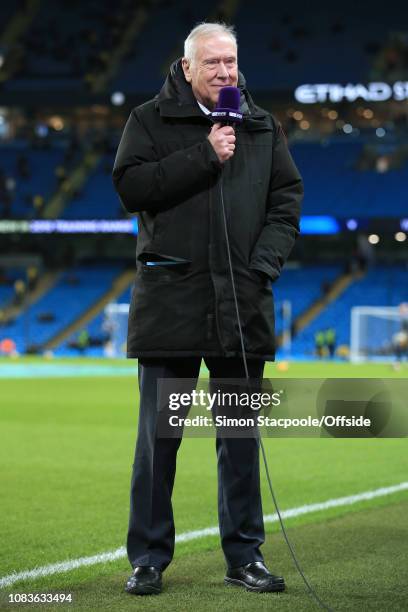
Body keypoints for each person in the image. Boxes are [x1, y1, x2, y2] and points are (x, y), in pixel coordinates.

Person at [112, 22, 303, 596]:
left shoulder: (263, 125)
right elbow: (131, 187)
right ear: (188, 67)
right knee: (159, 442)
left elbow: (286, 203)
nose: (225, 72)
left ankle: (245, 557)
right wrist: (205, 154)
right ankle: (147, 558)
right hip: (171, 303)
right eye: (214, 63)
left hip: (241, 306)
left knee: (240, 440)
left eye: (231, 62)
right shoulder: (149, 120)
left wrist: (262, 267)